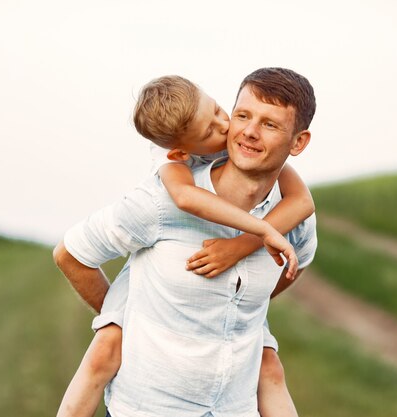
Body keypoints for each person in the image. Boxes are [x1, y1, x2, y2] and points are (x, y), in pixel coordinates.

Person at [54, 67, 317, 417]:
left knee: (271, 366)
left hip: (233, 408)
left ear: (297, 142)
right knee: (104, 348)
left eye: (269, 124)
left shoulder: (292, 215)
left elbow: (294, 258)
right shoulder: (163, 194)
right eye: (242, 116)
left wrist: (238, 299)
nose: (245, 131)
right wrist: (126, 322)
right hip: (150, 407)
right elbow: (71, 253)